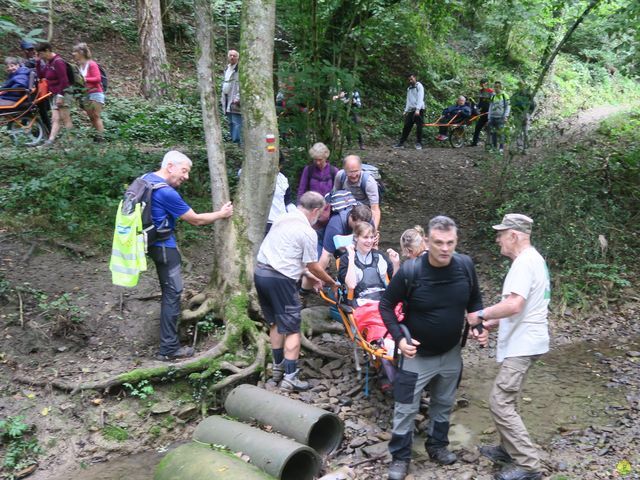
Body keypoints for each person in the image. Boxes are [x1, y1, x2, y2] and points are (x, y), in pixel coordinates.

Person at [379, 216, 485, 480]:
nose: (445, 248)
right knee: (405, 407)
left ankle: (437, 446)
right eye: (438, 242)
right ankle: (400, 458)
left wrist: (478, 326)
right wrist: (400, 339)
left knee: (444, 403)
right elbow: (385, 306)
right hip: (417, 355)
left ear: (456, 241)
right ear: (427, 241)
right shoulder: (411, 271)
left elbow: (474, 300)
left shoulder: (465, 266)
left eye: (450, 242)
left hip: (451, 353)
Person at [470, 214, 549, 480]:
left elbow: (515, 304)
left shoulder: (525, 263)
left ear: (514, 235)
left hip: (524, 343)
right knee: (509, 397)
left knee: (499, 401)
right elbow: (522, 307)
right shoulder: (532, 260)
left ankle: (528, 464)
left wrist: (480, 314)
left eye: (501, 234)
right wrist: (491, 322)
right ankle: (507, 449)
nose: (497, 239)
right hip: (527, 339)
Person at [145, 151, 234, 361]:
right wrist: (221, 214)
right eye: (184, 171)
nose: (186, 176)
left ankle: (169, 344)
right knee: (173, 294)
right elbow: (196, 220)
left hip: (150, 243)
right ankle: (168, 349)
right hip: (165, 249)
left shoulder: (146, 180)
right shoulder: (166, 192)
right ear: (170, 166)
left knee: (171, 293)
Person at [255, 191, 339, 391]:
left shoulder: (282, 217)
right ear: (316, 211)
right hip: (281, 280)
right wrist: (330, 282)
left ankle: (277, 369)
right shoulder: (306, 231)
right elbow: (313, 265)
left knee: (275, 321)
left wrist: (310, 277)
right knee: (293, 328)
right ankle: (290, 377)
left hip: (260, 273)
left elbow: (288, 256)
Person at [35, 42, 73, 146]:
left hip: (63, 93)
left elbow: (64, 81)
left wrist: (61, 96)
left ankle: (72, 142)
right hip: (54, 94)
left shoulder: (58, 62)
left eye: (41, 53)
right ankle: (50, 141)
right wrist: (38, 62)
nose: (40, 56)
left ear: (47, 50)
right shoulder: (48, 62)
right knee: (55, 119)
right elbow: (41, 76)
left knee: (65, 118)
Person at [333, 155, 381, 229]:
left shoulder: (369, 182)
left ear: (361, 168)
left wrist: (374, 230)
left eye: (356, 171)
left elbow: (375, 209)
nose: (354, 175)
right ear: (345, 170)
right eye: (351, 172)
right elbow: (335, 196)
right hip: (345, 210)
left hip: (364, 213)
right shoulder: (340, 176)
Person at [72, 43, 105, 140]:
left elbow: (97, 78)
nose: (73, 54)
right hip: (86, 94)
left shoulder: (92, 64)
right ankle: (96, 135)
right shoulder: (80, 66)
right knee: (91, 117)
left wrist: (84, 79)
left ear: (81, 53)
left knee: (96, 116)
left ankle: (100, 138)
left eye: (75, 52)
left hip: (95, 93)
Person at [20, 39, 51, 132]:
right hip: (30, 91)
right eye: (28, 50)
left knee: (43, 112)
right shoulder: (24, 61)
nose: (31, 51)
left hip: (39, 90)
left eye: (32, 49)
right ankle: (25, 131)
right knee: (27, 110)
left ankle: (49, 132)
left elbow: (42, 72)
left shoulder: (37, 60)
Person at [394, 74, 425, 150]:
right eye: (409, 80)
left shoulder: (419, 86)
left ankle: (419, 143)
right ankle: (401, 143)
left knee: (419, 127)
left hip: (419, 109)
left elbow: (420, 98)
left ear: (415, 78)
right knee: (407, 126)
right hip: (411, 110)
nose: (410, 81)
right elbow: (408, 100)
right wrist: (406, 110)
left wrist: (418, 109)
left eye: (412, 79)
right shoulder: (409, 89)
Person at [266, 152, 294, 234]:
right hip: (266, 223)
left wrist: (295, 213)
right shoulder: (258, 179)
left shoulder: (283, 179)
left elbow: (287, 201)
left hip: (281, 222)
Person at [221, 49, 241, 144]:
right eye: (230, 55)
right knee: (230, 121)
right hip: (227, 98)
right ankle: (233, 141)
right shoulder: (227, 68)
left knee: (237, 122)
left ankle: (237, 142)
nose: (232, 57)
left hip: (235, 99)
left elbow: (241, 85)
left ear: (237, 58)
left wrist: (238, 97)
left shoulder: (239, 69)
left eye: (234, 56)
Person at [510, 81, 536, 151]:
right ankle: (519, 147)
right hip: (517, 115)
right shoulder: (515, 95)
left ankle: (525, 148)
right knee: (518, 131)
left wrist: (529, 114)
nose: (521, 87)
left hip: (525, 115)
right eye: (519, 85)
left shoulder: (528, 95)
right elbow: (511, 104)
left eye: (522, 85)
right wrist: (515, 112)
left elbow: (533, 105)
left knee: (525, 132)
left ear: (524, 86)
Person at [470, 78, 494, 147]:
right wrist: (476, 106)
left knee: (489, 129)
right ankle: (474, 143)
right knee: (478, 127)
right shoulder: (480, 91)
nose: (482, 85)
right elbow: (480, 102)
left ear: (487, 83)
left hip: (489, 113)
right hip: (483, 113)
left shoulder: (490, 91)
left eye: (484, 83)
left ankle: (491, 144)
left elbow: (493, 102)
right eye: (481, 83)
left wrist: (491, 111)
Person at [488, 81, 510, 153]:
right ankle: (494, 148)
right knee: (493, 133)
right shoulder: (493, 96)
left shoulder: (505, 96)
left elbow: (508, 107)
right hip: (492, 117)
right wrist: (489, 116)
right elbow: (491, 106)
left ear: (501, 87)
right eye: (495, 87)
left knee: (501, 134)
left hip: (501, 117)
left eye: (497, 87)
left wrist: (505, 116)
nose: (496, 88)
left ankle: (501, 148)